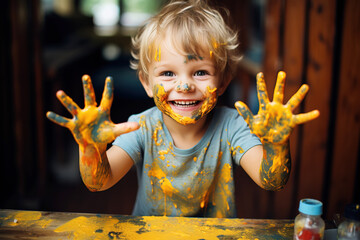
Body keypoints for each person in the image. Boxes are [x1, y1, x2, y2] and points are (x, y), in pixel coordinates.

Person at [46, 0, 319, 218]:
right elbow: (98, 183)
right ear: (147, 84)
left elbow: (271, 181)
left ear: (223, 81)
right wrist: (91, 150)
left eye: (200, 72)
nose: (185, 85)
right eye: (167, 73)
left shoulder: (232, 126)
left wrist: (276, 145)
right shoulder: (140, 126)